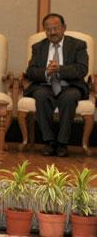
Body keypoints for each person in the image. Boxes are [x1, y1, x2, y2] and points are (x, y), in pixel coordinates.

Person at [24, 13, 88, 157]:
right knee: (40, 95)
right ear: (44, 30)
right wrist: (46, 72)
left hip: (70, 85)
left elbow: (82, 69)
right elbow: (30, 71)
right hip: (45, 85)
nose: (52, 32)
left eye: (55, 28)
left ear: (64, 28)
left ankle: (62, 143)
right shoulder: (38, 47)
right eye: (48, 29)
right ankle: (49, 142)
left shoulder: (78, 45)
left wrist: (60, 69)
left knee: (69, 97)